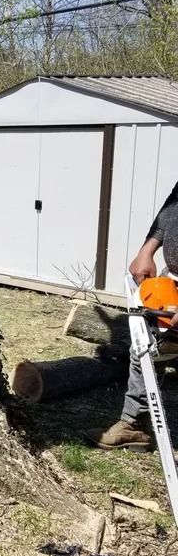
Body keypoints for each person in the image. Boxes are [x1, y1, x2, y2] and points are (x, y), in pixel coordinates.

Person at [87, 181, 178, 451]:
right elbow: (172, 205)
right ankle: (134, 424)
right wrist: (148, 249)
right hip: (171, 280)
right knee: (147, 347)